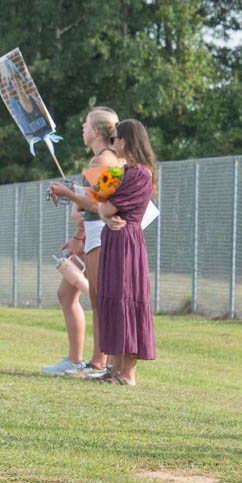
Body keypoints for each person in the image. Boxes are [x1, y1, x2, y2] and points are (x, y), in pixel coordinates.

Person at [46, 107, 125, 378]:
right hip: (92, 232)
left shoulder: (106, 160)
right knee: (79, 295)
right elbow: (93, 199)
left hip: (103, 234)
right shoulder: (99, 159)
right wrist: (77, 236)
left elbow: (98, 203)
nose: (82, 127)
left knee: (100, 298)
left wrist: (68, 192)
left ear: (97, 131)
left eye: (86, 123)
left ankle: (99, 363)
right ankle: (86, 361)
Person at [94, 119, 158, 386]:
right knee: (112, 300)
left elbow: (106, 207)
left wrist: (107, 213)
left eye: (115, 138)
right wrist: (107, 216)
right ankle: (115, 368)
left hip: (127, 242)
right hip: (114, 238)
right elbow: (99, 203)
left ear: (126, 141)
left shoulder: (140, 174)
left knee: (127, 300)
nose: (113, 143)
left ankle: (127, 373)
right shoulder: (122, 171)